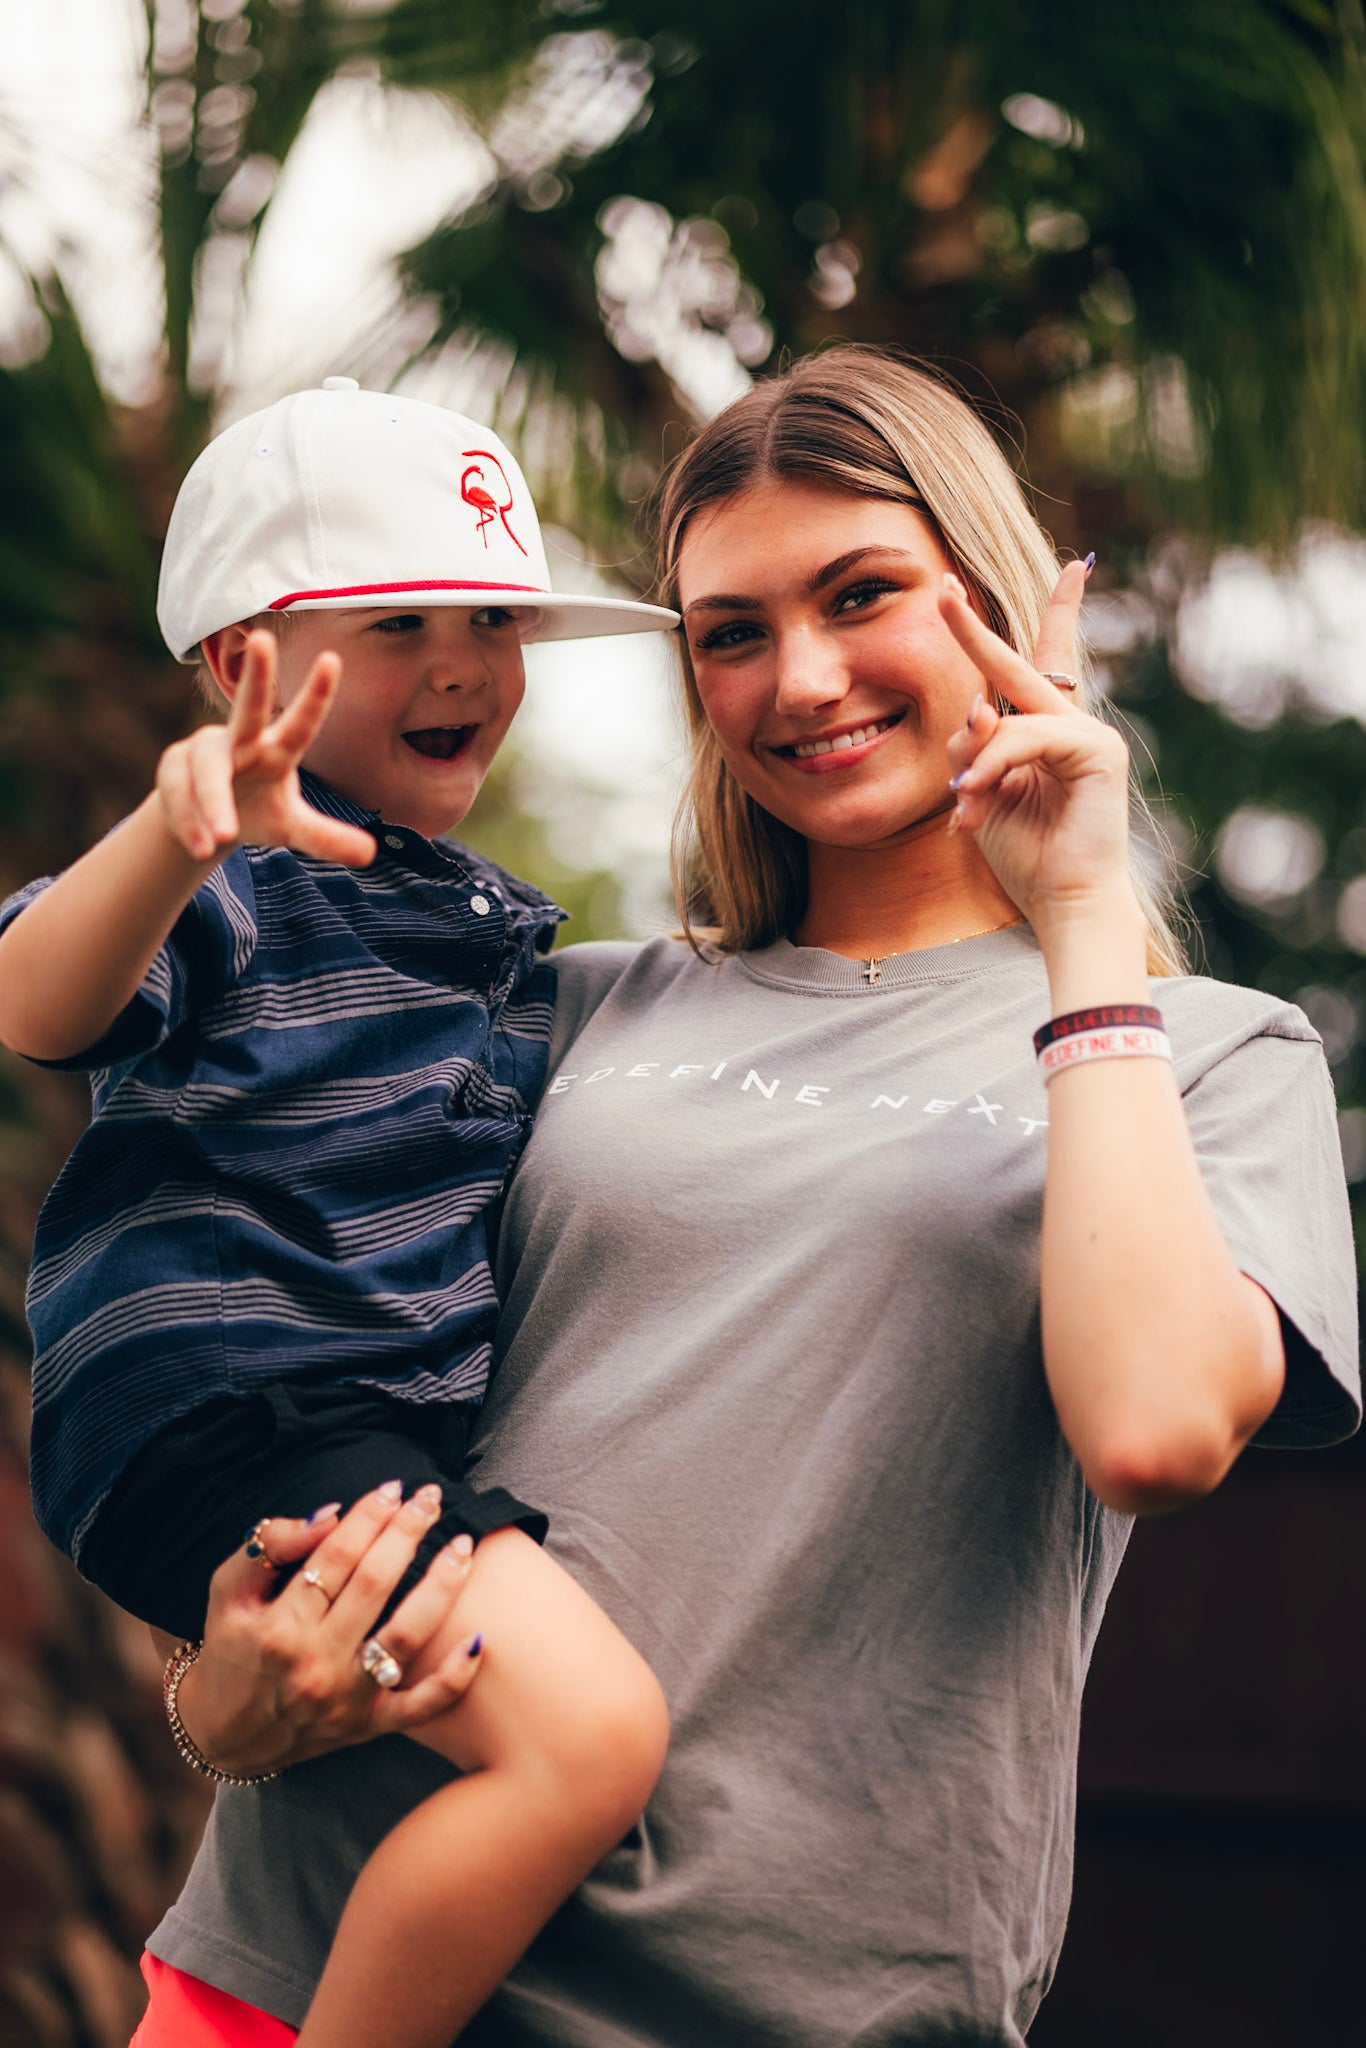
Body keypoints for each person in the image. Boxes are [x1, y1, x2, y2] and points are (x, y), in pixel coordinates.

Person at [130, 348, 1358, 2046]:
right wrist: (221, 1699)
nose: (803, 679)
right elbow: (273, 1375)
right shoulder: (555, 1005)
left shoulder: (1208, 1059)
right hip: (326, 1962)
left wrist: (1080, 922)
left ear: (993, 604)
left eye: (865, 595)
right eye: (729, 631)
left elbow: (1150, 1430)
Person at [0, 379, 675, 2048]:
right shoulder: (240, 873)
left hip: (323, 1429)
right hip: (236, 1406)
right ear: (239, 671)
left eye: (494, 620)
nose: (463, 664)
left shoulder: (468, 915)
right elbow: (37, 999)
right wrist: (177, 830)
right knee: (586, 1741)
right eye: (395, 623)